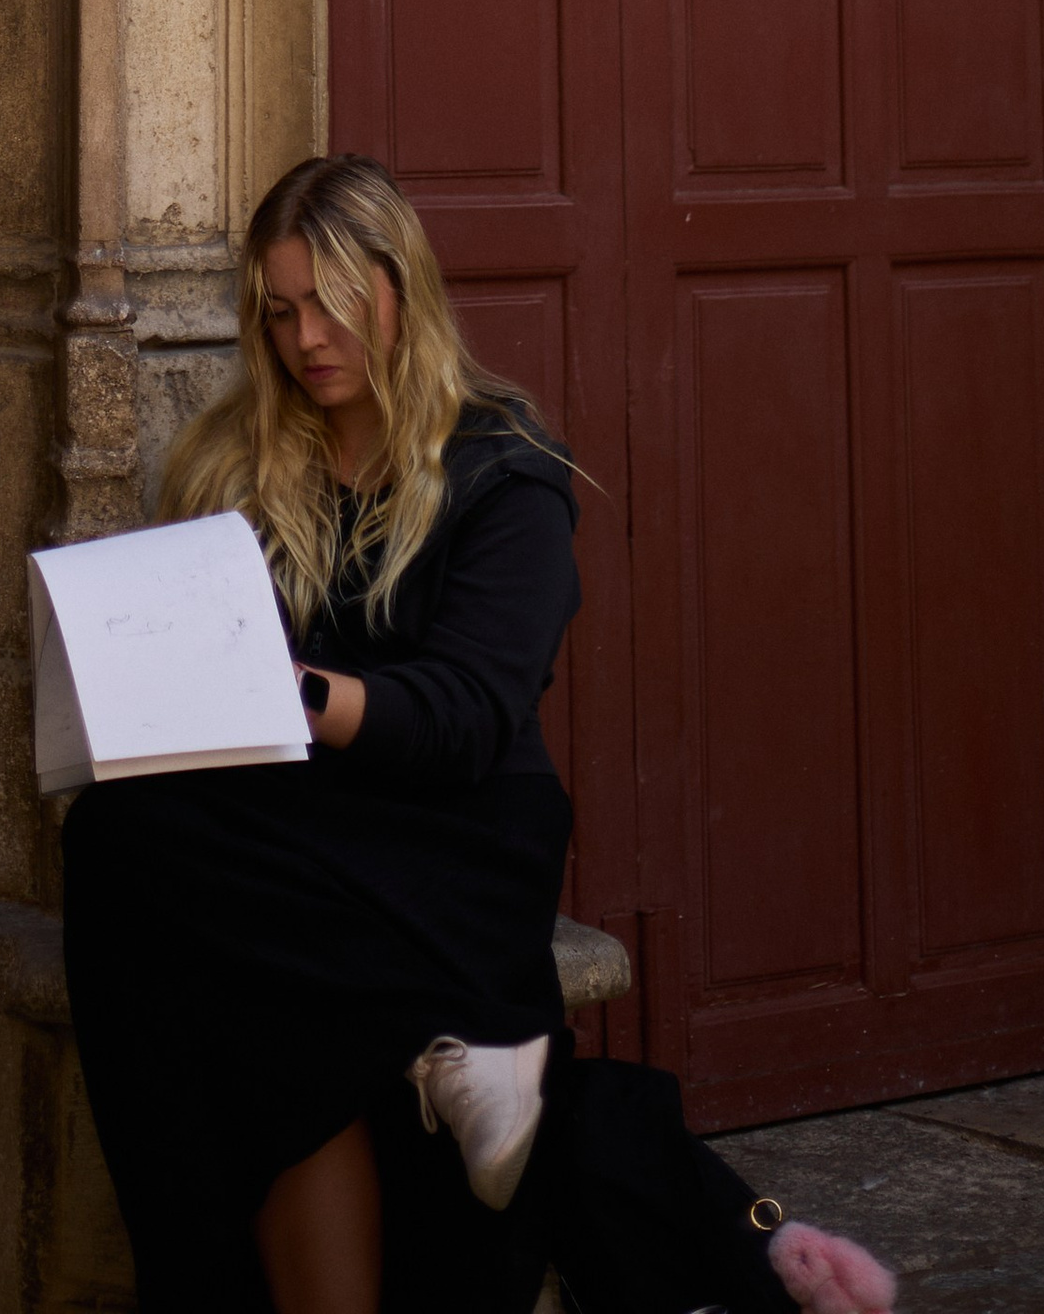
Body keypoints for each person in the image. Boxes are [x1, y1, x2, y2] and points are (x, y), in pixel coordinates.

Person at [61, 154, 899, 1314]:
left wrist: (289, 688)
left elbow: (462, 716)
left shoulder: (504, 470)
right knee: (119, 834)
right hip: (287, 831)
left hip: (448, 837)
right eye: (284, 309)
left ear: (401, 289)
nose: (308, 337)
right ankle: (428, 1082)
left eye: (336, 303)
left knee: (214, 953)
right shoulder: (235, 465)